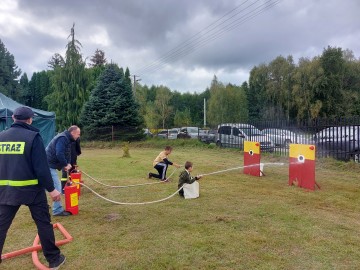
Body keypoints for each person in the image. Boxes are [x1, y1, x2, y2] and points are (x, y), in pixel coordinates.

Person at [0, 106, 66, 269]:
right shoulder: (33, 137)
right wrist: (52, 189)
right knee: (43, 223)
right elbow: (41, 168)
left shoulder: (1, 137)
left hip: (6, 191)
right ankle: (54, 259)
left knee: (1, 227)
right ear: (30, 119)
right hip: (32, 191)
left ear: (14, 118)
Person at [46, 125, 81, 216]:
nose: (78, 136)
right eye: (78, 134)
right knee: (57, 186)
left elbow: (67, 153)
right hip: (47, 163)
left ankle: (42, 205)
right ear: (72, 132)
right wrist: (65, 164)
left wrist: (68, 163)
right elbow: (59, 153)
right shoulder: (63, 138)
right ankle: (57, 210)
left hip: (50, 163)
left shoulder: (68, 139)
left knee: (43, 186)